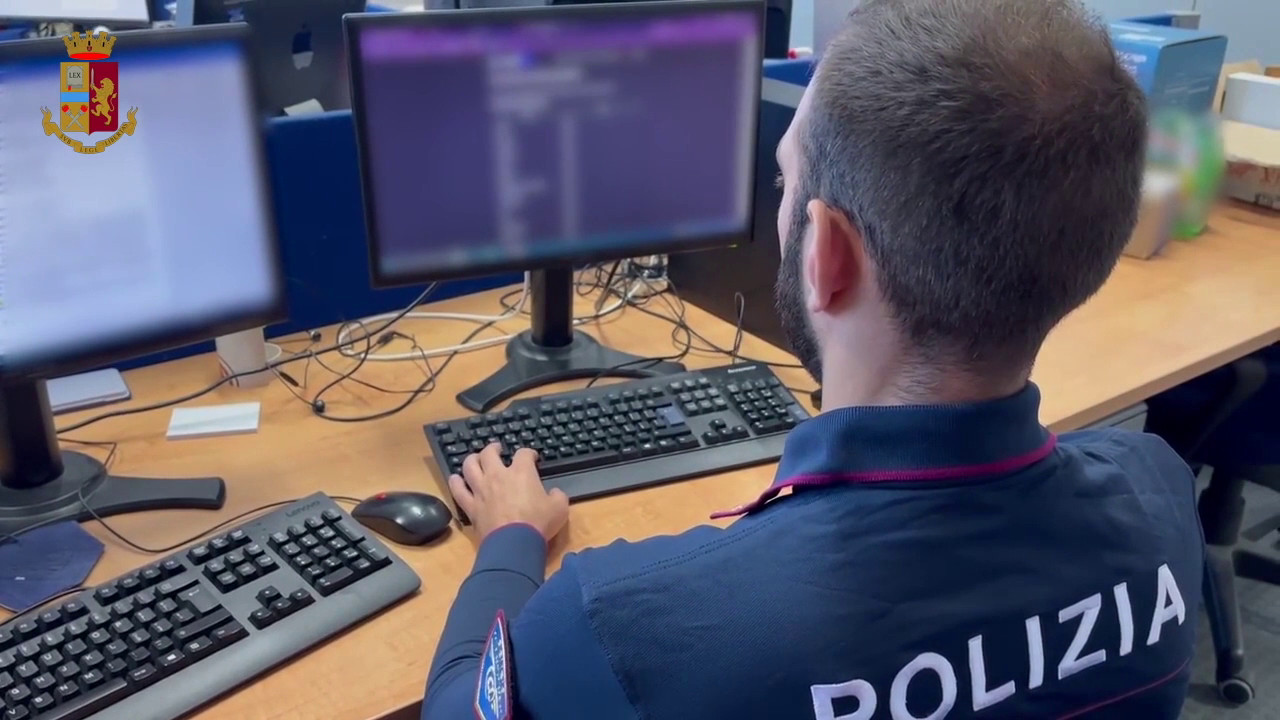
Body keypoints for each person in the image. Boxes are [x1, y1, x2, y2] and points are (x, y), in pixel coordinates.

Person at [422, 0, 1204, 717]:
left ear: (826, 251)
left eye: (784, 178)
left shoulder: (619, 630)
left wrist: (511, 540)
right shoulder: (1159, 495)